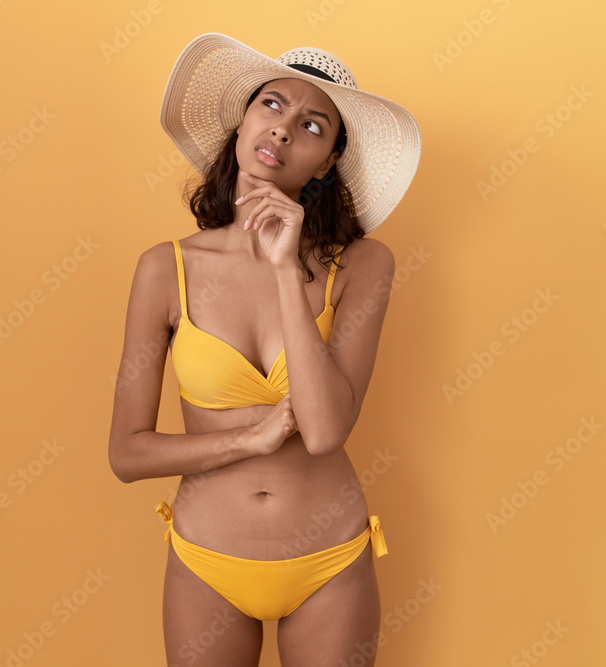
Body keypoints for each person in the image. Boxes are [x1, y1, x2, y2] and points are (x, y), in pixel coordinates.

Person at [108, 32, 421, 666]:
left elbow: (327, 429)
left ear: (329, 160)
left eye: (312, 124)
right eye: (272, 105)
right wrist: (245, 441)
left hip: (328, 561)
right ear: (244, 120)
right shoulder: (165, 269)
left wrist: (285, 269)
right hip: (206, 562)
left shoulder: (362, 266)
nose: (282, 131)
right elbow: (127, 453)